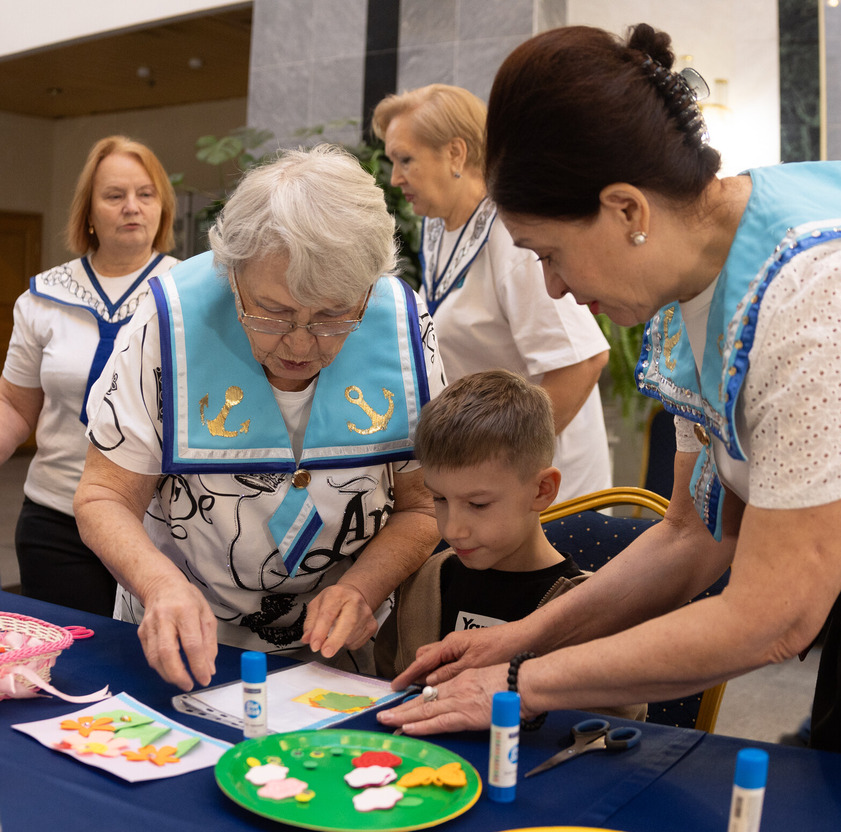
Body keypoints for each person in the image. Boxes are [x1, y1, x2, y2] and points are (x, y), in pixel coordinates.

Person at [378, 23, 841, 778]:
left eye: (550, 253)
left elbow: (772, 616)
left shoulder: (829, 290)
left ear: (626, 210)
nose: (554, 286)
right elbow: (692, 533)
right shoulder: (697, 279)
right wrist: (520, 639)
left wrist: (518, 685)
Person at [72, 144, 444, 691]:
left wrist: (363, 586)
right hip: (183, 635)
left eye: (332, 317)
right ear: (234, 273)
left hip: (336, 652)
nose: (300, 343)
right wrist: (159, 586)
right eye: (273, 313)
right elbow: (103, 496)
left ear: (367, 292)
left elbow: (425, 505)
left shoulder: (403, 326)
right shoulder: (167, 318)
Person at [371, 84, 612, 502]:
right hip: (485, 487)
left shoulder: (511, 236)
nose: (395, 178)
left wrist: (499, 463)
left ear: (456, 154)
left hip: (544, 492)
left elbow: (583, 361)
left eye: (405, 160)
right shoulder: (439, 228)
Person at [372, 368, 644, 720]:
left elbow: (615, 726)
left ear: (542, 490)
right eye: (439, 499)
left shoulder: (587, 609)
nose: (453, 529)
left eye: (478, 504)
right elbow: (385, 687)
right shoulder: (423, 584)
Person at [0, 135, 179, 615]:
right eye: (114, 195)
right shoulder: (42, 297)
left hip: (162, 525)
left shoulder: (192, 296)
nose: (132, 207)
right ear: (89, 212)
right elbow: (16, 407)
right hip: (56, 520)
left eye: (146, 194)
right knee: (66, 665)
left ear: (163, 208)